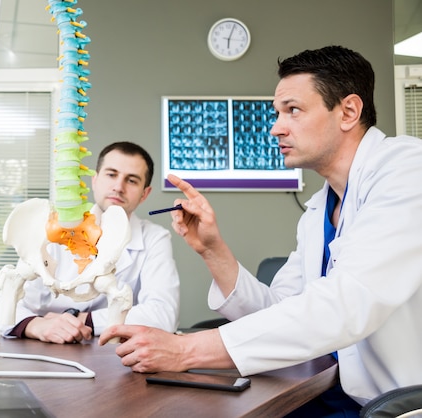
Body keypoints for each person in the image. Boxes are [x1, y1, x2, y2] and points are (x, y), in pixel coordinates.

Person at [99, 45, 422, 415]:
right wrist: (212, 249)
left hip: (392, 406)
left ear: (348, 111)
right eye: (277, 113)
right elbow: (281, 311)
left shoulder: (407, 170)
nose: (275, 127)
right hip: (332, 391)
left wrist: (187, 349)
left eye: (293, 111)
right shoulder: (318, 210)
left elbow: (347, 303)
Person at [7, 141, 180, 344]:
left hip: (114, 356)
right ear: (95, 180)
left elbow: (163, 314)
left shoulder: (155, 238)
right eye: (111, 174)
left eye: (132, 180)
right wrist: (35, 325)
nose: (118, 187)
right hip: (44, 349)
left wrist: (82, 320)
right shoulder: (53, 229)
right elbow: (8, 300)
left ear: (145, 193)